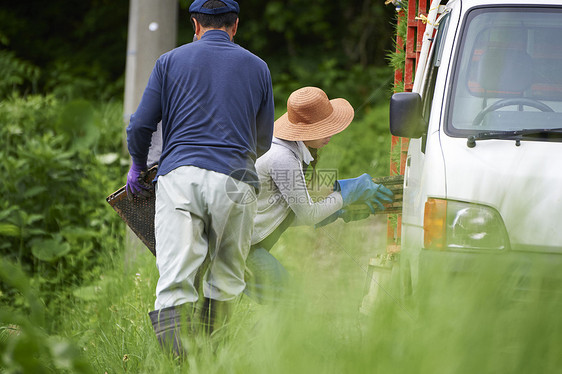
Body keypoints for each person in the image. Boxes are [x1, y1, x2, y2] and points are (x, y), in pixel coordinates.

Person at [125, 0, 274, 356]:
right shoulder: (258, 67)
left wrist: (136, 164)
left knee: (175, 282)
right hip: (236, 182)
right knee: (225, 281)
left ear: (195, 24)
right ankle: (211, 360)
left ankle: (180, 365)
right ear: (235, 26)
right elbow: (263, 141)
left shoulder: (170, 61)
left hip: (181, 179)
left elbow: (141, 124)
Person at [244, 86, 393, 303]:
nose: (330, 135)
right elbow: (307, 215)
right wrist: (346, 195)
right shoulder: (282, 157)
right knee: (290, 304)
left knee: (281, 306)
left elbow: (283, 214)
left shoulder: (288, 150)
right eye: (324, 129)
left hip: (246, 244)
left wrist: (337, 210)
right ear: (305, 131)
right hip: (240, 248)